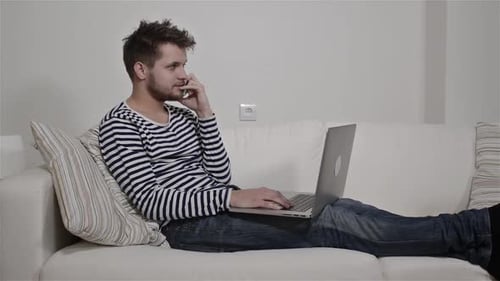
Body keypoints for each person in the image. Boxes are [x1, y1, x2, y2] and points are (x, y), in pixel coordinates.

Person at [98, 19, 499, 279]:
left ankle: (477, 246)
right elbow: (154, 203)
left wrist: (204, 113)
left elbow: (217, 176)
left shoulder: (182, 116)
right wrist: (233, 196)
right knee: (325, 225)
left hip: (219, 208)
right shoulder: (120, 125)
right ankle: (476, 228)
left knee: (338, 209)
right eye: (173, 66)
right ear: (140, 69)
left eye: (184, 64)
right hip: (189, 228)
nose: (186, 74)